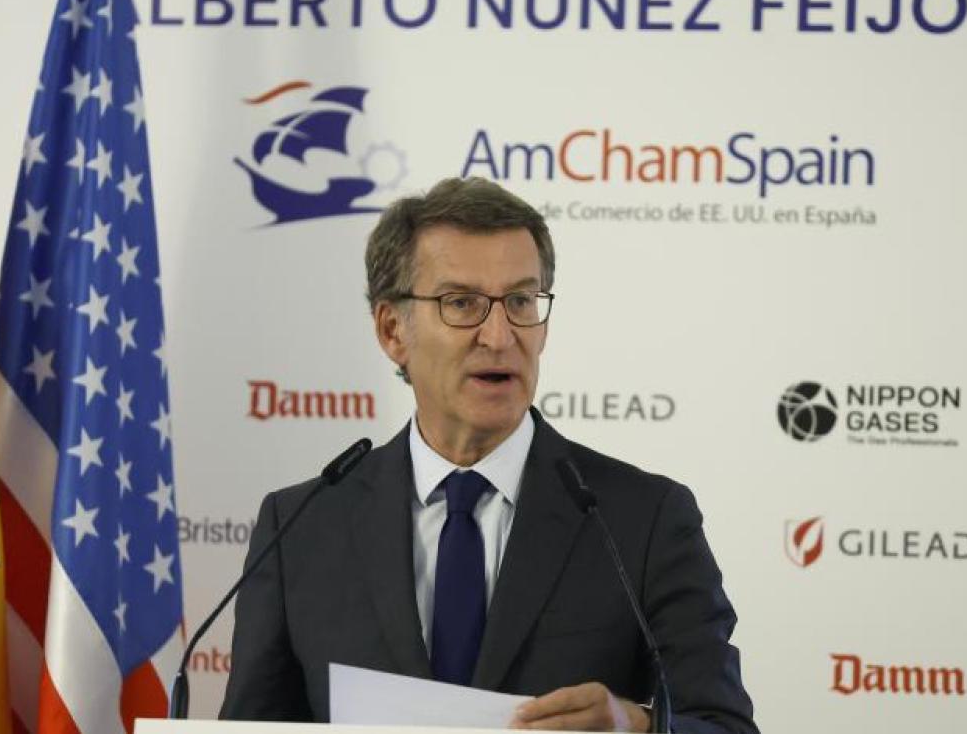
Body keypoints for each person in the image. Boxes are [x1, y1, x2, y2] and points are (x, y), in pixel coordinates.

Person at [220, 177, 757, 733]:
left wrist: (635, 726)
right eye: (462, 303)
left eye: (521, 301)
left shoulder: (641, 519)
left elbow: (725, 726)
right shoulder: (300, 529)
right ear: (392, 330)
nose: (499, 336)